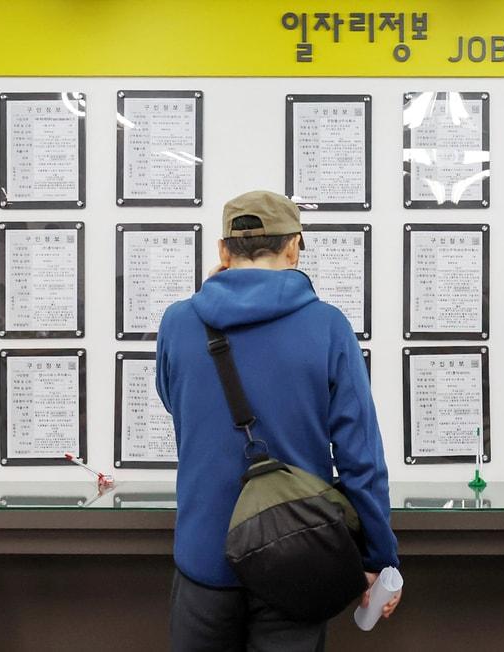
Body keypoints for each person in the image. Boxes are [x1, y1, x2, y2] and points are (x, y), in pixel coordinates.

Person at [156, 190, 401, 651]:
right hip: (296, 556)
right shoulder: (328, 326)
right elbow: (360, 457)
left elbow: (175, 402)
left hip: (204, 554)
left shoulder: (178, 321)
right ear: (294, 246)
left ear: (223, 250)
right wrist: (378, 555)